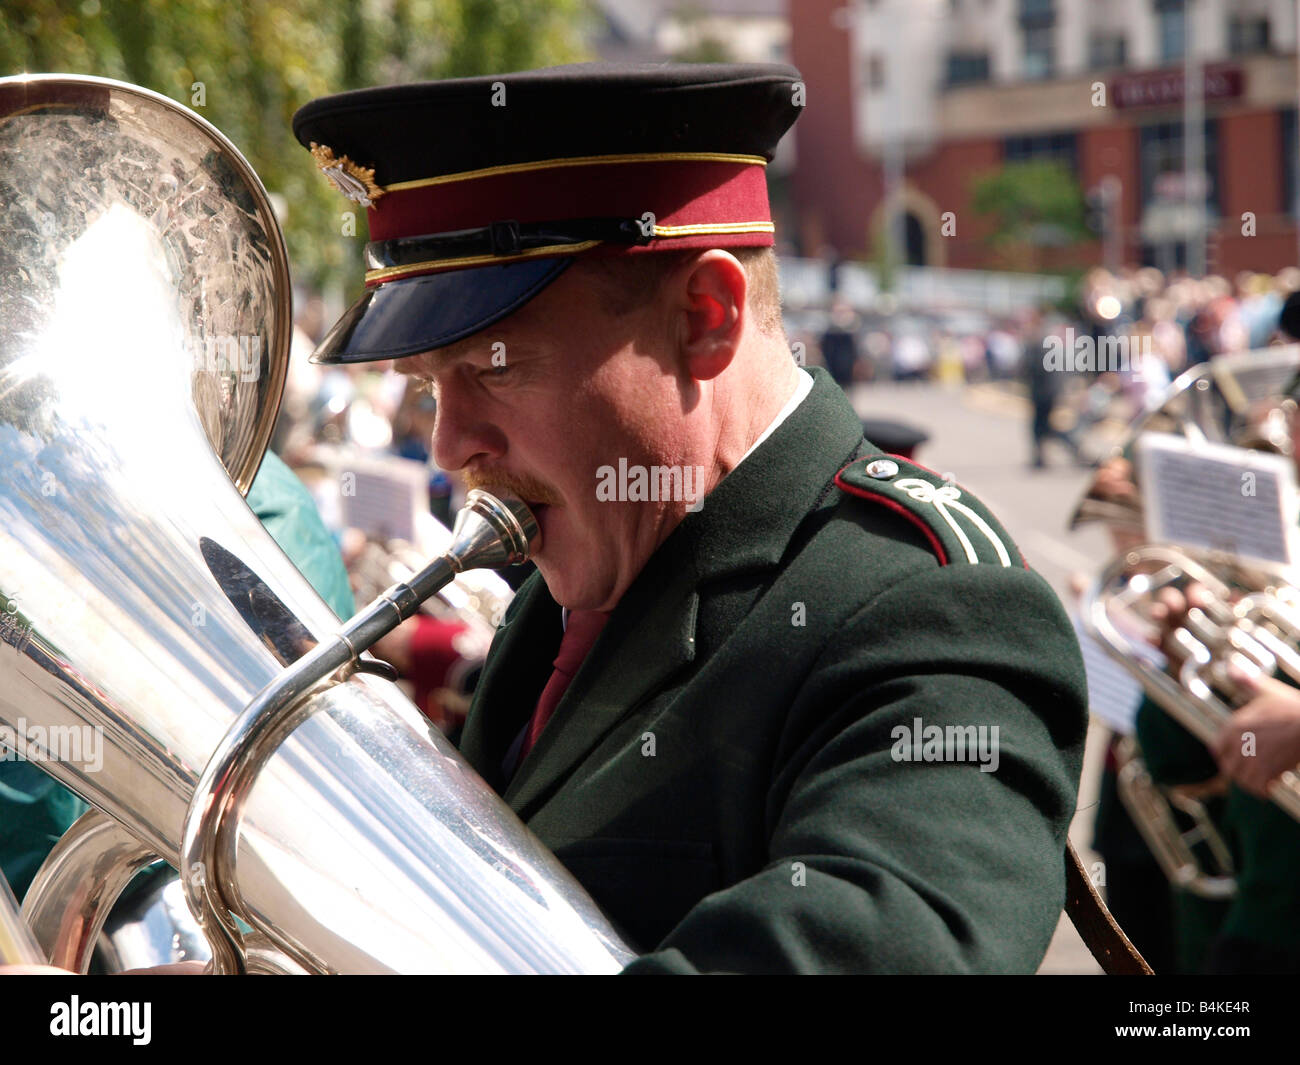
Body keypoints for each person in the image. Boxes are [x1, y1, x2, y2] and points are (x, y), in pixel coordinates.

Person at [281, 62, 1091, 975]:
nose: (448, 445)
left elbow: (881, 951)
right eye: (430, 388)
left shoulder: (937, 606)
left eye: (496, 369)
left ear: (706, 318)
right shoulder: (579, 577)